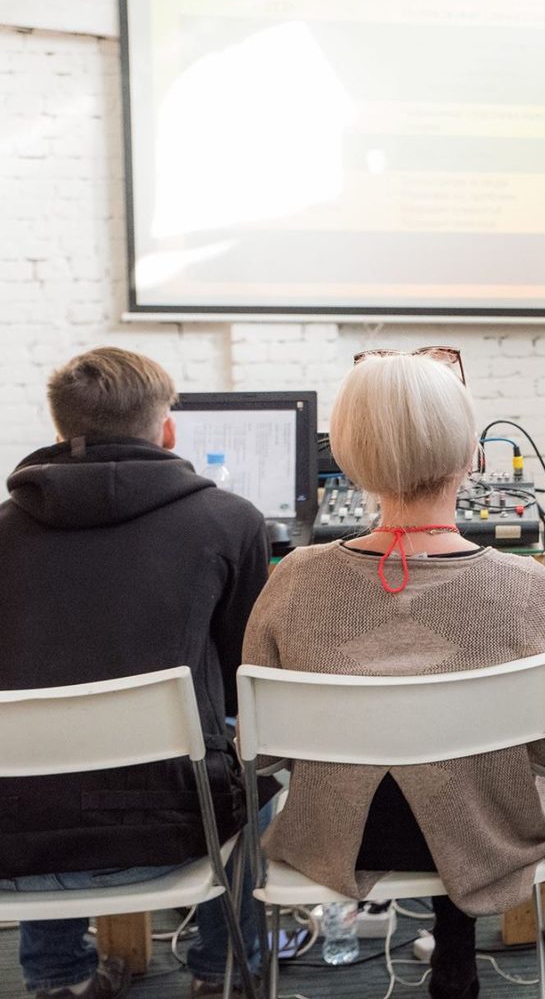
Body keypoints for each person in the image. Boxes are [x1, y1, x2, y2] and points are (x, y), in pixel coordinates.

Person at [242, 351, 545, 999]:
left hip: (340, 838)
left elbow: (262, 755)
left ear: (348, 455)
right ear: (468, 455)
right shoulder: (529, 587)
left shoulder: (293, 583)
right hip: (487, 834)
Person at [0, 347, 269, 999]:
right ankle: (222, 970)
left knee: (40, 757)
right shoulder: (232, 522)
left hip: (14, 842)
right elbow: (250, 680)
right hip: (180, 832)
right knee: (256, 762)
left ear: (60, 430)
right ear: (167, 427)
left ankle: (58, 976)